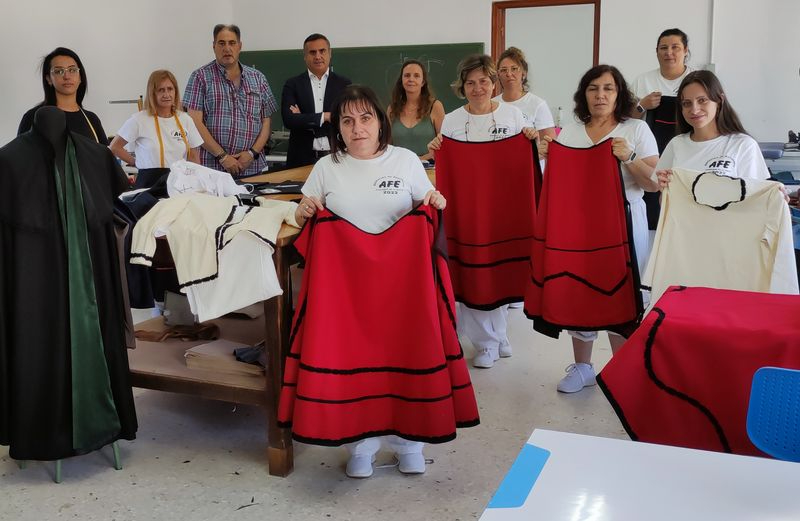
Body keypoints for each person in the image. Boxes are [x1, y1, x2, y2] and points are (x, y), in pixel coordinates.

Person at [288, 85, 461, 479]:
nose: (357, 128)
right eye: (347, 121)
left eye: (365, 118)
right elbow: (303, 221)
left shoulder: (404, 161)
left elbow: (428, 205)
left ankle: (409, 444)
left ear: (380, 123)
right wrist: (303, 210)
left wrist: (435, 202)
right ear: (338, 129)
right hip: (347, 296)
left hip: (402, 292)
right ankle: (360, 447)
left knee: (405, 359)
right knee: (354, 364)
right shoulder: (326, 167)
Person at [539, 64, 659, 393]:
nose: (600, 95)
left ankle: (622, 370)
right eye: (593, 88)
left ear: (619, 94)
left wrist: (630, 157)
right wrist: (546, 155)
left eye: (608, 88)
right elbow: (561, 183)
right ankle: (582, 368)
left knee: (622, 293)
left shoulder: (636, 129)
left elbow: (653, 185)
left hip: (624, 224)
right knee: (581, 292)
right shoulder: (572, 130)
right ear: (584, 94)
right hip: (579, 226)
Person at [428, 54, 537, 369]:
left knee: (499, 274)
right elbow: (447, 163)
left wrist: (529, 140)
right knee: (473, 276)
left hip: (501, 209)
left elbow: (524, 159)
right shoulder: (451, 120)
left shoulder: (514, 116)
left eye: (484, 81)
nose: (478, 88)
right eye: (470, 83)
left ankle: (499, 334)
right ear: (462, 86)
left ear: (494, 83)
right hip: (467, 210)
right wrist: (438, 147)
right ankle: (485, 344)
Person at [183, 24, 276, 178]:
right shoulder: (200, 77)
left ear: (240, 46)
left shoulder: (258, 78)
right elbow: (194, 123)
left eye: (232, 43)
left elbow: (266, 122)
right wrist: (223, 156)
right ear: (213, 46)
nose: (227, 48)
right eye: (221, 43)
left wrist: (252, 153)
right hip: (212, 170)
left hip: (252, 169)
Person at [656, 70, 770, 185]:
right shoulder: (676, 144)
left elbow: (756, 198)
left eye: (702, 100)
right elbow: (665, 200)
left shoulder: (743, 145)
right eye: (687, 103)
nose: (694, 110)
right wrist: (665, 190)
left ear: (719, 101)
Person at [109, 70, 203, 189]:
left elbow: (194, 156)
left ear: (175, 91)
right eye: (161, 90)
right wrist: (135, 162)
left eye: (170, 89)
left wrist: (195, 184)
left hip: (178, 183)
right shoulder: (139, 119)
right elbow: (114, 147)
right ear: (152, 93)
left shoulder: (185, 119)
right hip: (148, 183)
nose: (166, 94)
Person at [281, 33, 351, 168]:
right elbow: (289, 120)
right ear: (305, 57)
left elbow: (346, 118)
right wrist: (326, 116)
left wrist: (303, 118)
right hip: (301, 159)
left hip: (337, 157)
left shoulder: (344, 84)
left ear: (330, 53)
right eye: (312, 52)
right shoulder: (293, 84)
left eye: (322, 51)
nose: (318, 56)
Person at [18, 47, 108, 144]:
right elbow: (21, 156)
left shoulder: (92, 119)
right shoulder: (34, 117)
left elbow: (104, 157)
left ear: (80, 77)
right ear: (49, 79)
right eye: (59, 71)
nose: (67, 76)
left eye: (72, 70)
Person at [387, 59, 445, 160]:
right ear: (401, 80)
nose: (411, 79)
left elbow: (444, 143)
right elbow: (387, 146)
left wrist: (421, 159)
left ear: (423, 82)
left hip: (428, 169)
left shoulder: (435, 106)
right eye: (407, 75)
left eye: (416, 76)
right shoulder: (392, 109)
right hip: (399, 169)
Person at [494, 47, 556, 141]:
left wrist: (535, 137)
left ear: (524, 73)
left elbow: (551, 145)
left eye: (514, 69)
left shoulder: (538, 104)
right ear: (498, 75)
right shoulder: (491, 103)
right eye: (503, 70)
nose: (509, 74)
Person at [633, 28, 693, 121]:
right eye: (664, 48)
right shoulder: (642, 81)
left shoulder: (698, 80)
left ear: (685, 50)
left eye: (675, 47)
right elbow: (627, 120)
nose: (669, 53)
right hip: (649, 135)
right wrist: (642, 105)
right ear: (657, 51)